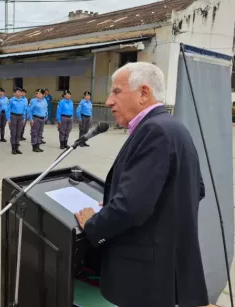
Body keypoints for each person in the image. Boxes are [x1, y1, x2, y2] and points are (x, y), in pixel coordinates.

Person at [74, 62, 209, 307]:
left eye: (116, 91)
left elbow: (131, 207)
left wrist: (93, 224)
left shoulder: (154, 131)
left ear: (144, 93)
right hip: (164, 262)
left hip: (145, 271)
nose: (109, 102)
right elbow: (194, 190)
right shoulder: (174, 127)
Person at [6, 87, 26, 155]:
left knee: (18, 133)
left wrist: (24, 118)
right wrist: (8, 119)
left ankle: (17, 147)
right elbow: (7, 110)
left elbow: (24, 110)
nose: (19, 93)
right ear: (14, 93)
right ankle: (13, 148)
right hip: (13, 116)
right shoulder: (11, 100)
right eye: (17, 92)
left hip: (20, 117)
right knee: (13, 133)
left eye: (20, 92)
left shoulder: (22, 100)